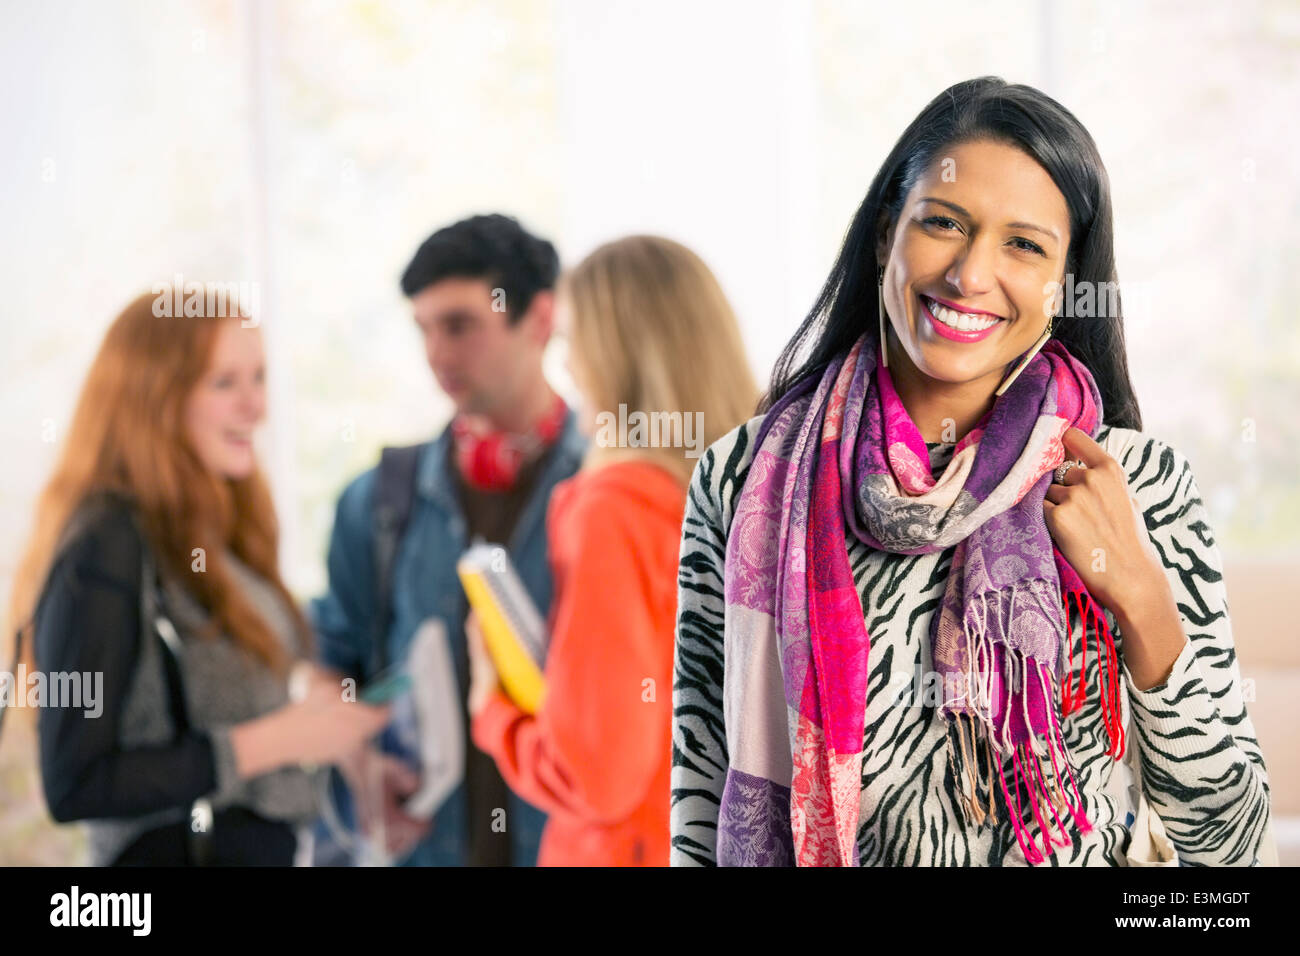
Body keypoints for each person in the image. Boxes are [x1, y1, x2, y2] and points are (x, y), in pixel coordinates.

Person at [671, 76, 1272, 867]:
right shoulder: (744, 477)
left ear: (1066, 282)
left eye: (1024, 245)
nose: (971, 274)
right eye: (944, 223)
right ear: (887, 233)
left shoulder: (1136, 484)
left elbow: (1231, 844)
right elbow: (702, 793)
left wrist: (1140, 593)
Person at [8, 287, 390, 866]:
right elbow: (75, 782)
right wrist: (281, 740)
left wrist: (337, 743)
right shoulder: (106, 543)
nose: (255, 406)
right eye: (224, 383)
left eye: (258, 378)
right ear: (154, 397)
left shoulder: (215, 532)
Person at [466, 235, 759, 865]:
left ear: (614, 358)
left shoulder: (613, 511)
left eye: (572, 343)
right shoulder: (758, 492)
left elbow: (598, 777)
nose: (565, 368)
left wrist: (492, 710)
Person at [311, 213, 587, 866]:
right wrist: (358, 761)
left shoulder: (613, 495)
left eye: (460, 325)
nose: (436, 353)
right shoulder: (377, 503)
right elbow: (330, 662)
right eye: (424, 329)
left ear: (540, 319)